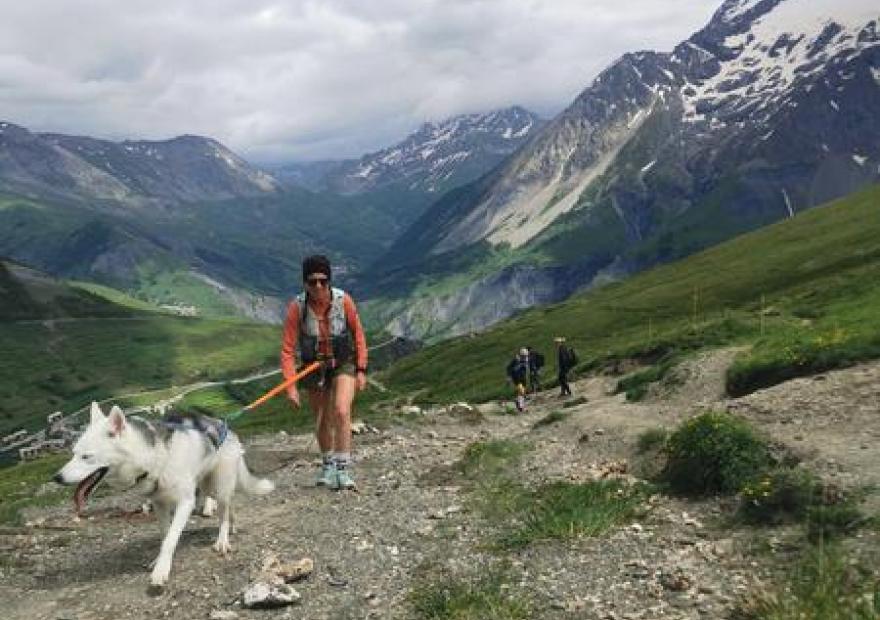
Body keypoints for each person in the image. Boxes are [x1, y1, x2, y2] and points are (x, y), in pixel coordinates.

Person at [281, 255, 368, 490]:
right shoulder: (296, 308)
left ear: (329, 280)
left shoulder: (344, 301)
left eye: (322, 280)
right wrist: (291, 387)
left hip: (342, 363)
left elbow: (358, 334)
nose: (318, 286)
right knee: (321, 418)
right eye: (312, 281)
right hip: (313, 366)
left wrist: (361, 369)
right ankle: (328, 464)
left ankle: (343, 467)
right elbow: (288, 350)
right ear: (305, 283)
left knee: (341, 410)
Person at [506, 348, 530, 412]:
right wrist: (508, 377)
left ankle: (519, 404)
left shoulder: (526, 360)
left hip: (523, 378)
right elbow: (509, 368)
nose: (525, 357)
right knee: (521, 391)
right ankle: (521, 406)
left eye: (526, 355)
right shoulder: (516, 360)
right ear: (521, 355)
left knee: (522, 392)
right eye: (524, 356)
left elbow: (526, 369)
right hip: (516, 378)